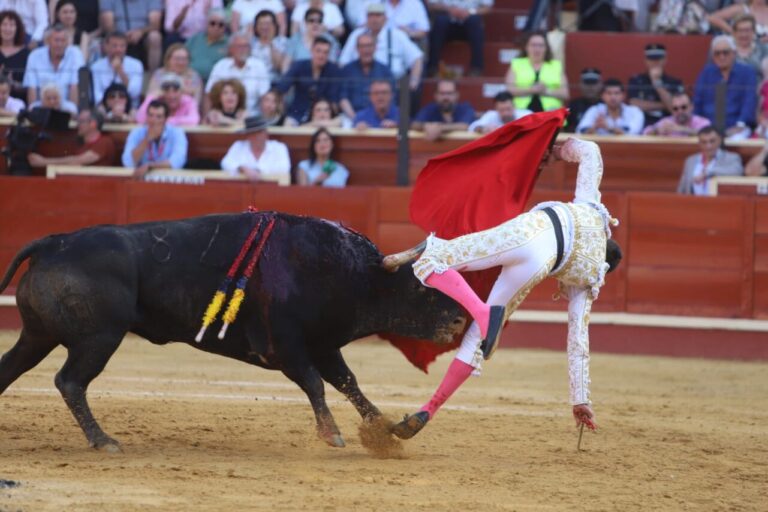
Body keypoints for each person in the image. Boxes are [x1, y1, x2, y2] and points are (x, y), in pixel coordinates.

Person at [390, 136, 621, 440]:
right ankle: (429, 409)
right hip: (541, 264)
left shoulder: (591, 207)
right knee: (477, 338)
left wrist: (556, 150)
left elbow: (591, 150)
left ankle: (482, 311)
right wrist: (580, 400)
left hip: (529, 231)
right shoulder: (587, 280)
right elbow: (578, 342)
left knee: (433, 260)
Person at [339, 4, 423, 94]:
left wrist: (413, 81)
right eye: (371, 15)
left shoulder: (397, 35)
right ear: (366, 18)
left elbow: (416, 58)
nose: (374, 19)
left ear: (385, 18)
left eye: (378, 15)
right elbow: (343, 62)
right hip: (359, 86)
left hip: (391, 88)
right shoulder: (356, 35)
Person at [693, 35, 757, 140]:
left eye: (725, 52)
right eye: (717, 53)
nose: (721, 57)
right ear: (712, 56)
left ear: (734, 53)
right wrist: (697, 123)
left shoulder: (747, 73)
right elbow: (697, 102)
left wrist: (740, 124)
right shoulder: (706, 73)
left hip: (737, 126)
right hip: (708, 126)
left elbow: (749, 102)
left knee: (737, 139)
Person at [275, 37, 342, 125]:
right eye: (318, 51)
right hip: (298, 113)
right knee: (288, 124)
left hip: (323, 116)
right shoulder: (299, 65)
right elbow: (282, 88)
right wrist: (280, 109)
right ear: (311, 51)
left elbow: (333, 100)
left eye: (326, 52)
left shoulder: (333, 69)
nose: (321, 55)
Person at [205, 32, 270, 116]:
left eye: (245, 46)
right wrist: (206, 116)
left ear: (250, 49)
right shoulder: (220, 66)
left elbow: (264, 97)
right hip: (223, 118)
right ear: (231, 49)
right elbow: (208, 94)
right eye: (239, 46)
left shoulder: (259, 66)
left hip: (252, 117)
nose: (243, 50)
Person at [122, 99, 189, 178]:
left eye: (159, 117)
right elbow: (128, 162)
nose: (153, 120)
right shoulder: (136, 133)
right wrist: (147, 139)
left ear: (166, 119)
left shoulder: (177, 133)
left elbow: (178, 161)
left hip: (169, 179)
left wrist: (150, 166)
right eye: (150, 115)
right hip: (142, 179)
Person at [27, 108, 116, 167]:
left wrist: (44, 162)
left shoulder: (105, 141)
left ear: (93, 124)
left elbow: (79, 160)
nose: (78, 125)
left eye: (81, 121)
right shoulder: (80, 145)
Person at [505, 31, 568, 113]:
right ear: (526, 47)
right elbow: (509, 90)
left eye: (541, 45)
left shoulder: (556, 65)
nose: (537, 49)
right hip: (521, 113)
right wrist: (531, 90)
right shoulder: (517, 64)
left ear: (546, 48)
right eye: (533, 45)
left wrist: (546, 91)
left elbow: (565, 93)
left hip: (551, 114)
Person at [22, 23, 83, 107]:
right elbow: (32, 88)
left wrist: (72, 114)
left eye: (63, 40)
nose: (60, 44)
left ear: (68, 42)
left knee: (72, 108)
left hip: (64, 105)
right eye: (56, 40)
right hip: (42, 105)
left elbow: (74, 85)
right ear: (47, 41)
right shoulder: (34, 56)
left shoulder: (75, 54)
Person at [426, 0, 493, 76]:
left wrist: (470, 12)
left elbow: (487, 8)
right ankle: (433, 67)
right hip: (446, 23)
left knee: (475, 21)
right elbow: (431, 5)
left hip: (469, 24)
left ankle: (476, 68)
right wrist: (449, 9)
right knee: (440, 21)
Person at [339, 32, 394, 122]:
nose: (366, 50)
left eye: (369, 46)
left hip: (381, 118)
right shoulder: (347, 70)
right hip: (352, 117)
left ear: (375, 47)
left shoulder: (385, 71)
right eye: (362, 46)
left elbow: (392, 98)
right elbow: (343, 98)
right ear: (357, 49)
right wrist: (356, 119)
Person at [220, 114, 291, 183]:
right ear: (248, 135)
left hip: (273, 192)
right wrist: (242, 168)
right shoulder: (238, 146)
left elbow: (284, 169)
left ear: (266, 133)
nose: (257, 136)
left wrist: (258, 171)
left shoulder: (279, 147)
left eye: (260, 132)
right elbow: (225, 163)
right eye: (253, 133)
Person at [627, 43, 684, 128]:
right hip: (641, 124)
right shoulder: (636, 80)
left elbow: (675, 109)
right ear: (646, 61)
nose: (655, 63)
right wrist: (664, 105)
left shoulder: (675, 82)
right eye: (651, 59)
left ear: (665, 60)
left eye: (658, 59)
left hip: (669, 125)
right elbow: (634, 105)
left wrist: (657, 83)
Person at [99, 0, 163, 73]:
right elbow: (108, 25)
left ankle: (153, 75)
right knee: (108, 40)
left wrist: (140, 32)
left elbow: (155, 24)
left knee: (155, 37)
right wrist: (122, 36)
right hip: (117, 34)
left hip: (143, 35)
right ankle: (109, 73)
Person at [677, 126, 743, 195]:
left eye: (712, 141)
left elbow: (738, 171)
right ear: (699, 143)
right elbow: (682, 188)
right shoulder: (690, 160)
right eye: (704, 142)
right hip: (693, 203)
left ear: (720, 140)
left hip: (719, 203)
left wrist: (708, 173)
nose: (708, 146)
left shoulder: (731, 157)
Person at [89, 31, 144, 108]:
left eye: (122, 46)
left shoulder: (136, 65)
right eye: (114, 46)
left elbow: (134, 93)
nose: (119, 50)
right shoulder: (96, 66)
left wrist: (120, 71)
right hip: (104, 106)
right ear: (106, 46)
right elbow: (96, 93)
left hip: (129, 107)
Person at [576, 79, 644, 136]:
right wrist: (594, 127)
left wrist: (609, 128)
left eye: (617, 93)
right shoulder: (595, 110)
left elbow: (632, 133)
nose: (613, 97)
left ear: (623, 95)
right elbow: (579, 132)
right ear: (602, 96)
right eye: (609, 93)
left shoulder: (635, 111)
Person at [281, 8, 339, 73]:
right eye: (311, 21)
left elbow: (333, 65)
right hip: (298, 79)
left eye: (319, 21)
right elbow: (286, 65)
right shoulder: (295, 39)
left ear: (322, 24)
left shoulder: (330, 40)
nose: (315, 24)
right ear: (305, 23)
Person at [185, 9, 229, 82]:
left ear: (225, 27)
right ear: (206, 24)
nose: (216, 27)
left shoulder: (229, 43)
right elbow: (183, 56)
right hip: (190, 79)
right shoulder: (195, 39)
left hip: (216, 82)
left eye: (221, 25)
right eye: (212, 23)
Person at [643, 92, 711, 136]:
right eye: (675, 109)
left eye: (683, 107)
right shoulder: (667, 122)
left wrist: (683, 129)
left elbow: (708, 133)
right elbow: (645, 132)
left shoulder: (701, 121)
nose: (680, 111)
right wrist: (656, 130)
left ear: (691, 107)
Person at [0, 10, 30, 100]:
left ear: (18, 28)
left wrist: (12, 83)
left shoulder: (26, 54)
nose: (7, 29)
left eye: (12, 25)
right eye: (4, 24)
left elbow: (29, 87)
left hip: (18, 102)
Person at [251, 9, 287, 81]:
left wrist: (270, 42)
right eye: (261, 23)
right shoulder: (250, 43)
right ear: (256, 27)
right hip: (254, 81)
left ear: (275, 26)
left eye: (267, 23)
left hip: (274, 82)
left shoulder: (283, 42)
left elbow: (280, 67)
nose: (264, 27)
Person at [564, 68, 602, 133]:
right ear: (580, 84)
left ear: (600, 85)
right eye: (587, 83)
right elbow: (566, 129)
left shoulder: (605, 106)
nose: (590, 87)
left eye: (593, 83)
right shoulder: (573, 106)